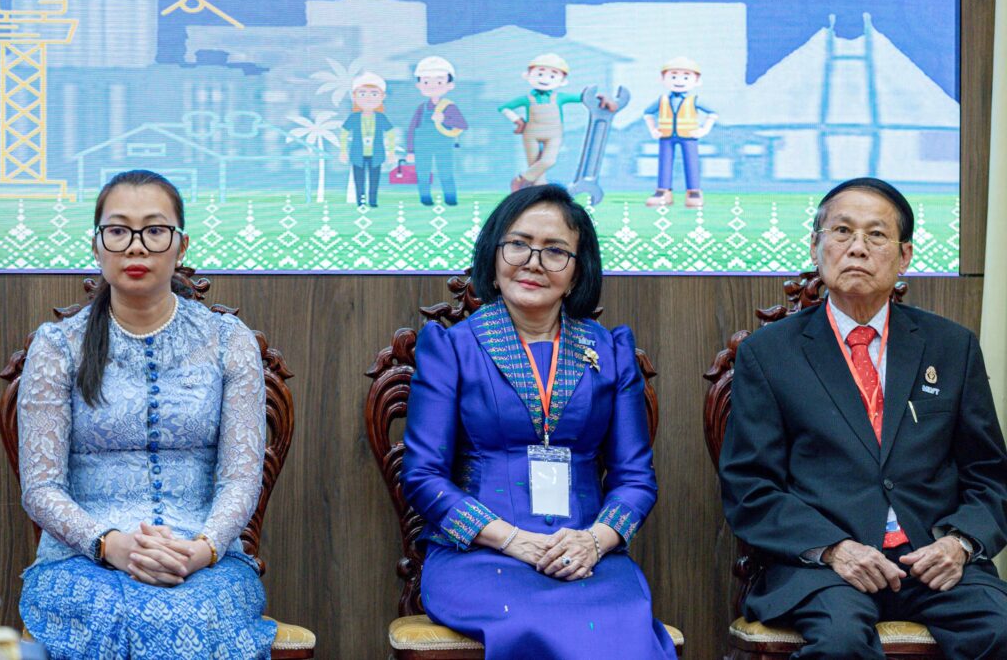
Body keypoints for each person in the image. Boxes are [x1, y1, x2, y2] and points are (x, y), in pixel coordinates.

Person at [719, 177, 1007, 659]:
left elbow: (989, 476)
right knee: (840, 642)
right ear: (815, 246)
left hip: (931, 560)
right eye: (841, 231)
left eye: (876, 234)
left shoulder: (951, 347)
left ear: (904, 255)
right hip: (824, 567)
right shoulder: (769, 354)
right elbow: (750, 487)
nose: (857, 248)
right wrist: (835, 548)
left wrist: (959, 544)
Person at [402, 184, 677, 659]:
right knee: (536, 628)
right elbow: (423, 477)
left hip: (587, 558)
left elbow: (636, 479)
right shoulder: (452, 348)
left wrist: (594, 541)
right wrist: (514, 541)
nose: (533, 262)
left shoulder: (611, 351)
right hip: (479, 558)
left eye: (555, 251)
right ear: (493, 256)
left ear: (577, 272)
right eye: (518, 244)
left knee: (621, 635)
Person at [17, 169, 275, 659]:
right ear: (97, 245)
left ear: (181, 246)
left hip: (203, 559)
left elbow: (241, 480)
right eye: (118, 231)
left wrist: (202, 549)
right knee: (108, 615)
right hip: (81, 559)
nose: (136, 247)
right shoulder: (57, 347)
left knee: (192, 615)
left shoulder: (228, 341)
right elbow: (41, 488)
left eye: (155, 230)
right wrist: (109, 545)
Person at [499, 54, 616, 193]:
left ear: (562, 81)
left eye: (552, 76)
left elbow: (584, 98)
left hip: (554, 134)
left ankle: (520, 179)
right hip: (531, 134)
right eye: (540, 74)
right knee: (535, 166)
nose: (545, 79)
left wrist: (601, 97)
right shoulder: (527, 99)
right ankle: (538, 192)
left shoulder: (560, 97)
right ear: (527, 75)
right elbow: (504, 108)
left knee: (548, 161)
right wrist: (517, 120)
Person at [642, 57, 717, 209]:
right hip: (666, 136)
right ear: (662, 79)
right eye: (673, 76)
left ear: (697, 81)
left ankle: (693, 192)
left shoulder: (694, 100)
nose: (679, 81)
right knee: (664, 163)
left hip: (689, 136)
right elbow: (648, 113)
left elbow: (712, 113)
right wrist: (653, 129)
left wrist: (704, 130)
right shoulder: (662, 100)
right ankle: (663, 191)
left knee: (691, 163)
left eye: (686, 77)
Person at [407, 56, 467, 206]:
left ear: (450, 85)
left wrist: (444, 119)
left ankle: (450, 199)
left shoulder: (449, 107)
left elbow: (463, 124)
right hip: (422, 146)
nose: (432, 86)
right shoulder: (421, 108)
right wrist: (410, 151)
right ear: (419, 85)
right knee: (423, 173)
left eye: (439, 82)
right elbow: (412, 129)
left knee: (446, 172)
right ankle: (425, 199)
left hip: (443, 146)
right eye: (426, 82)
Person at [340, 72, 396, 208]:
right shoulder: (354, 117)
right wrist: (343, 151)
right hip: (357, 154)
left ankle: (373, 201)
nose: (368, 98)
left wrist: (391, 152)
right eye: (363, 94)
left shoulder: (381, 117)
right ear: (354, 96)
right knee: (359, 180)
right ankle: (361, 202)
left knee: (374, 179)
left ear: (382, 97)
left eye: (374, 94)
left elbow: (390, 133)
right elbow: (344, 133)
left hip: (376, 154)